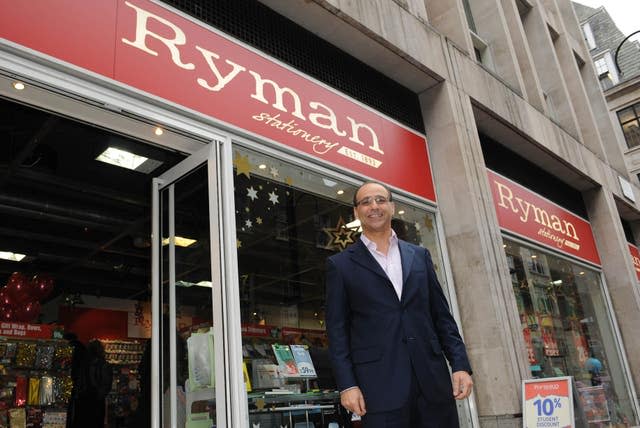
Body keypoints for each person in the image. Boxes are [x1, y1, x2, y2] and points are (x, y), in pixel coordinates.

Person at [325, 181, 473, 427]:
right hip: (379, 390)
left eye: (381, 200)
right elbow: (337, 331)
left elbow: (441, 317)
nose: (374, 206)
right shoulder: (340, 265)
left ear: (392, 207)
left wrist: (460, 365)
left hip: (433, 383)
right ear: (356, 212)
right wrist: (347, 385)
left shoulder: (419, 256)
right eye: (366, 202)